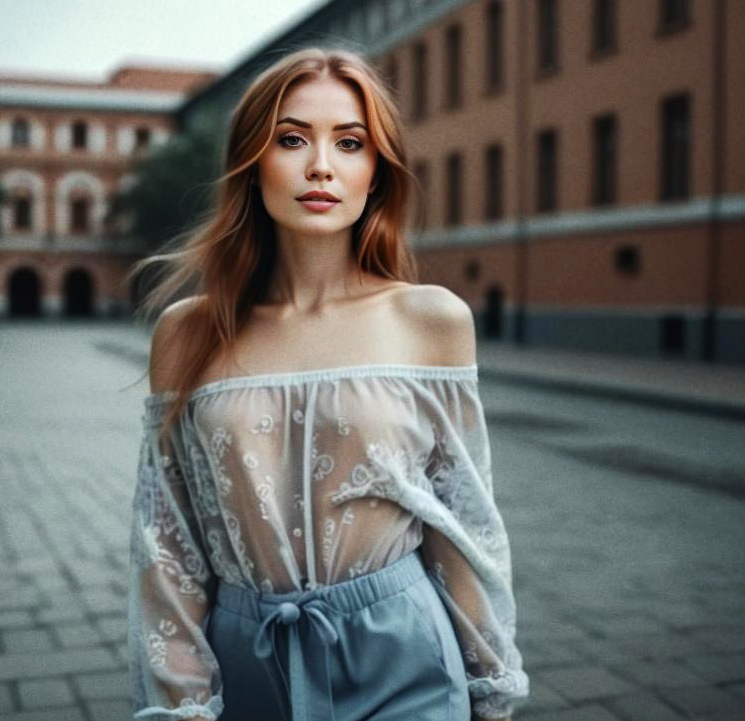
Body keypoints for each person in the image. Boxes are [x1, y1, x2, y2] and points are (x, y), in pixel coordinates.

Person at [126, 46, 530, 721]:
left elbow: (462, 525)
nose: (320, 165)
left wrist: (490, 687)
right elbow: (166, 541)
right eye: (290, 139)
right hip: (244, 656)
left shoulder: (429, 318)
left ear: (376, 172)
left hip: (402, 653)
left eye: (349, 142)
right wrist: (180, 702)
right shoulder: (187, 331)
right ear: (252, 166)